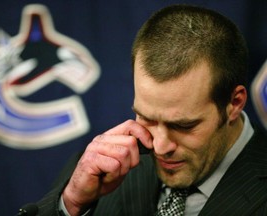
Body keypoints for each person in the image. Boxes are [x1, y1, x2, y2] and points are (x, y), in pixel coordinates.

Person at [27, 4, 267, 216]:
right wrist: (70, 203)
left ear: (234, 103)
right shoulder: (101, 167)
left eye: (183, 125)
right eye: (147, 118)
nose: (160, 147)